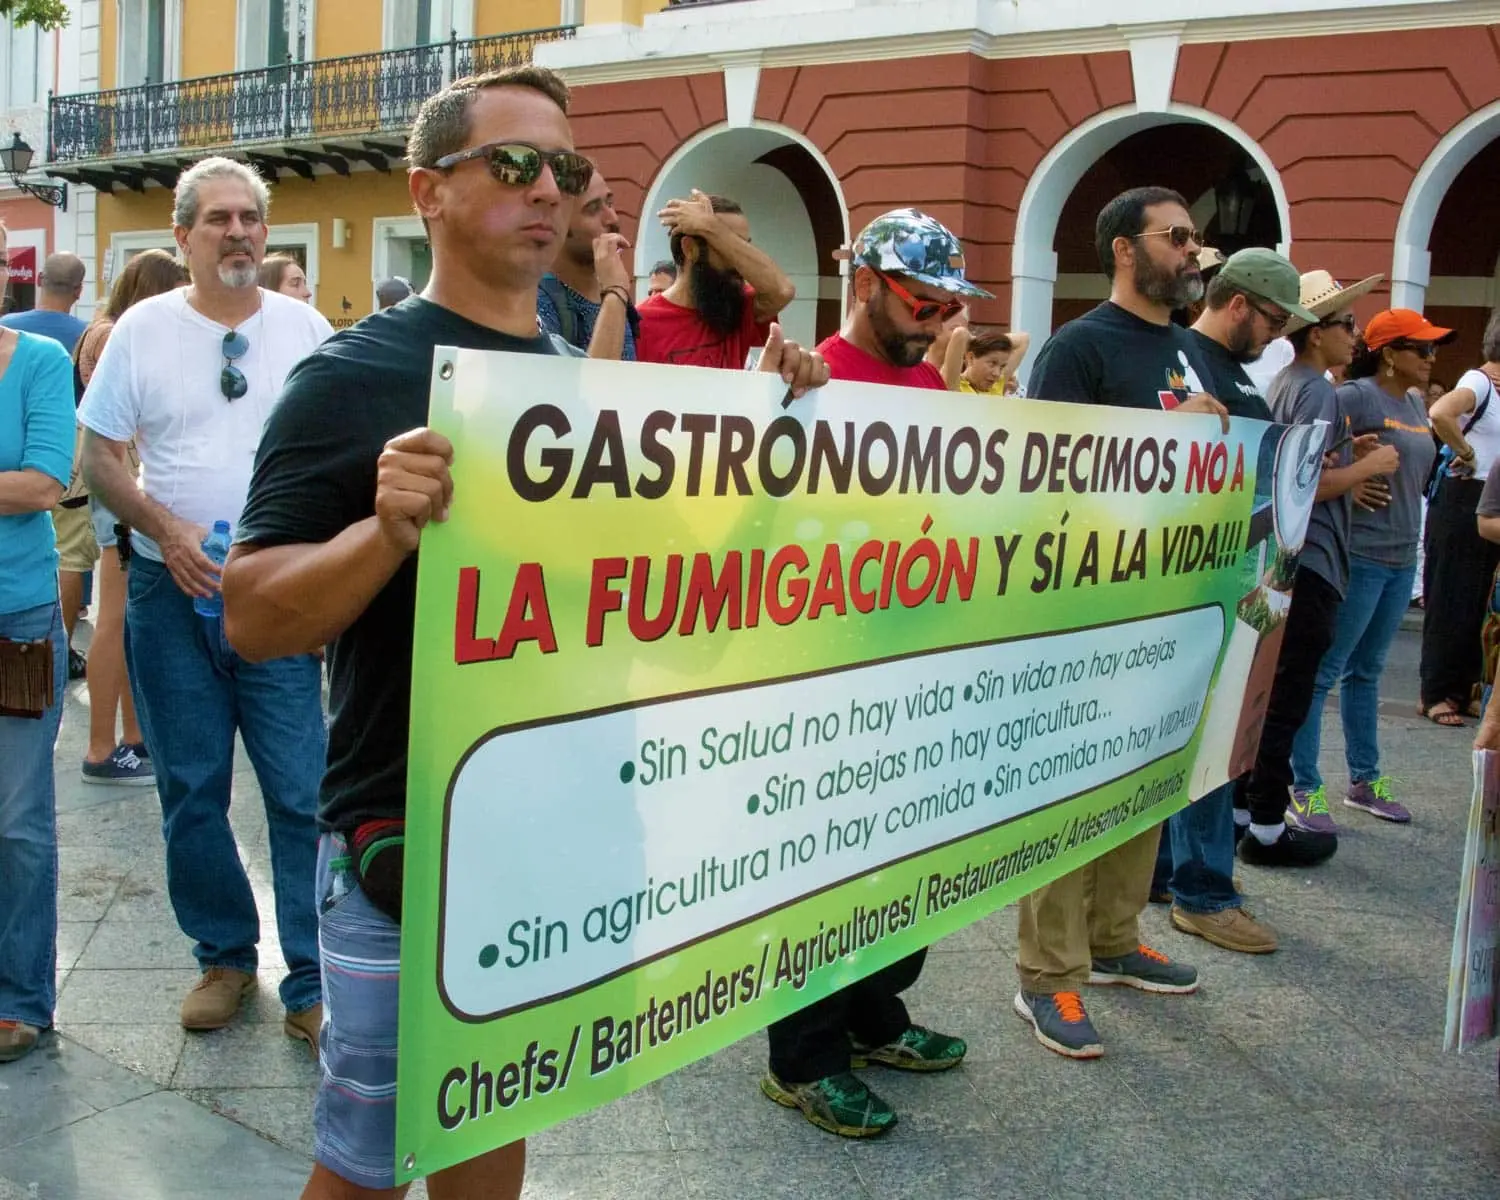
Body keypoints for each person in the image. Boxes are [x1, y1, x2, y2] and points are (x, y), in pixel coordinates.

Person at [221, 66, 825, 1199]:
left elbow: (676, 622)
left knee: (492, 1125)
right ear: (427, 191)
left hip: (563, 832)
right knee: (362, 1165)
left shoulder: (582, 385)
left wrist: (767, 457)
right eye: (512, 164)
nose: (550, 190)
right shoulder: (348, 379)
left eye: (568, 170)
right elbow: (253, 619)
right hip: (409, 838)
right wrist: (385, 532)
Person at [78, 157, 332, 1052]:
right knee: (191, 790)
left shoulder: (306, 329)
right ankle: (224, 957)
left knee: (302, 793)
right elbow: (99, 456)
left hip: (275, 594)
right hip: (163, 589)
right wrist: (162, 526)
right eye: (218, 219)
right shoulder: (142, 330)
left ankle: (312, 974)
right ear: (181, 236)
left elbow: (339, 454)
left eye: (250, 219)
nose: (238, 233)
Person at [761, 208, 983, 1139]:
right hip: (824, 676)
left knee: (904, 857)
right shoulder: (808, 377)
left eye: (947, 304)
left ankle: (872, 1012)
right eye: (922, 299)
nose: (936, 318)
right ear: (865, 283)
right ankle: (802, 1057)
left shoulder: (925, 386)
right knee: (824, 870)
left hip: (909, 664)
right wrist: (772, 396)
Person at [1015, 186, 1225, 1059]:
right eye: (1175, 237)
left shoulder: (1187, 350)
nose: (1192, 252)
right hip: (1089, 616)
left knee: (1146, 780)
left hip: (1167, 611)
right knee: (1070, 790)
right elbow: (1042, 477)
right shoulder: (1077, 348)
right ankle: (1047, 977)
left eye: (1194, 238)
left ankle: (1111, 940)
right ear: (1124, 251)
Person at [1161, 248, 1319, 954]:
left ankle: (1172, 875)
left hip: (1242, 579)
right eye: (1276, 317)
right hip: (1199, 586)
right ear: (1238, 304)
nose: (1281, 333)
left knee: (1208, 739)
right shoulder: (1184, 363)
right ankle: (1203, 890)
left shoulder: (1234, 374)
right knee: (1208, 743)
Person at [1237, 270, 1397, 864]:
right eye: (1346, 323)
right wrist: (1367, 466)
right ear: (1316, 333)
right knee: (1289, 697)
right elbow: (1299, 485)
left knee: (1265, 694)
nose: (1356, 335)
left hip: (1278, 560)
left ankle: (1245, 811)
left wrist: (1343, 458)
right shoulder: (1318, 390)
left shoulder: (1286, 383)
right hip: (1308, 563)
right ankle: (1269, 827)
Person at [1290, 310, 1450, 824]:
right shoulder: (1353, 397)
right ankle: (1305, 787)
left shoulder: (1417, 402)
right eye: (1421, 349)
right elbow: (1319, 460)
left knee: (1369, 673)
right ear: (1389, 353)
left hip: (1403, 557)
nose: (1431, 358)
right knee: (1323, 673)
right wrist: (1352, 483)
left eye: (1432, 350)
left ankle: (1364, 780)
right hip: (1359, 555)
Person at [0, 225, 75, 1065]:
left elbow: (44, 483)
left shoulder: (39, 365)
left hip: (16, 618)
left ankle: (19, 996)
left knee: (17, 821)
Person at [75, 249, 190, 785]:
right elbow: (111, 431)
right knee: (116, 619)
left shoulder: (103, 329)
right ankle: (104, 747)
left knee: (121, 619)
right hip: (117, 493)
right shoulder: (116, 334)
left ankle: (131, 739)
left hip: (117, 490)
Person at [2, 252, 92, 679]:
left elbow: (40, 489)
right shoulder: (84, 333)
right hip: (72, 469)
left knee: (21, 746)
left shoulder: (39, 354)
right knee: (73, 558)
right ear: (78, 290)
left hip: (18, 605)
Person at [1418, 311, 1500, 726]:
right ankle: (1435, 692)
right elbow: (1441, 413)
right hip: (1463, 496)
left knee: (1480, 598)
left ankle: (1462, 686)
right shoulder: (1479, 381)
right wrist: (1466, 453)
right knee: (1451, 594)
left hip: (1489, 499)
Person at [636, 190, 794, 368]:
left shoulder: (737, 306)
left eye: (742, 246)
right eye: (725, 246)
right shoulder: (641, 323)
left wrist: (710, 227)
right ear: (690, 249)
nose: (740, 264)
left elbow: (782, 290)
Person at [537, 168, 637, 359]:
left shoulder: (615, 299)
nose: (612, 219)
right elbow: (593, 386)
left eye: (610, 202)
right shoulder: (539, 302)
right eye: (593, 209)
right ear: (558, 224)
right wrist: (616, 292)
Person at [957, 328, 1030, 395]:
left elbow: (1024, 339)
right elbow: (960, 334)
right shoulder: (955, 384)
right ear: (971, 358)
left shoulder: (998, 383)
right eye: (992, 363)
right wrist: (978, 342)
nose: (997, 374)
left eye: (1002, 367)